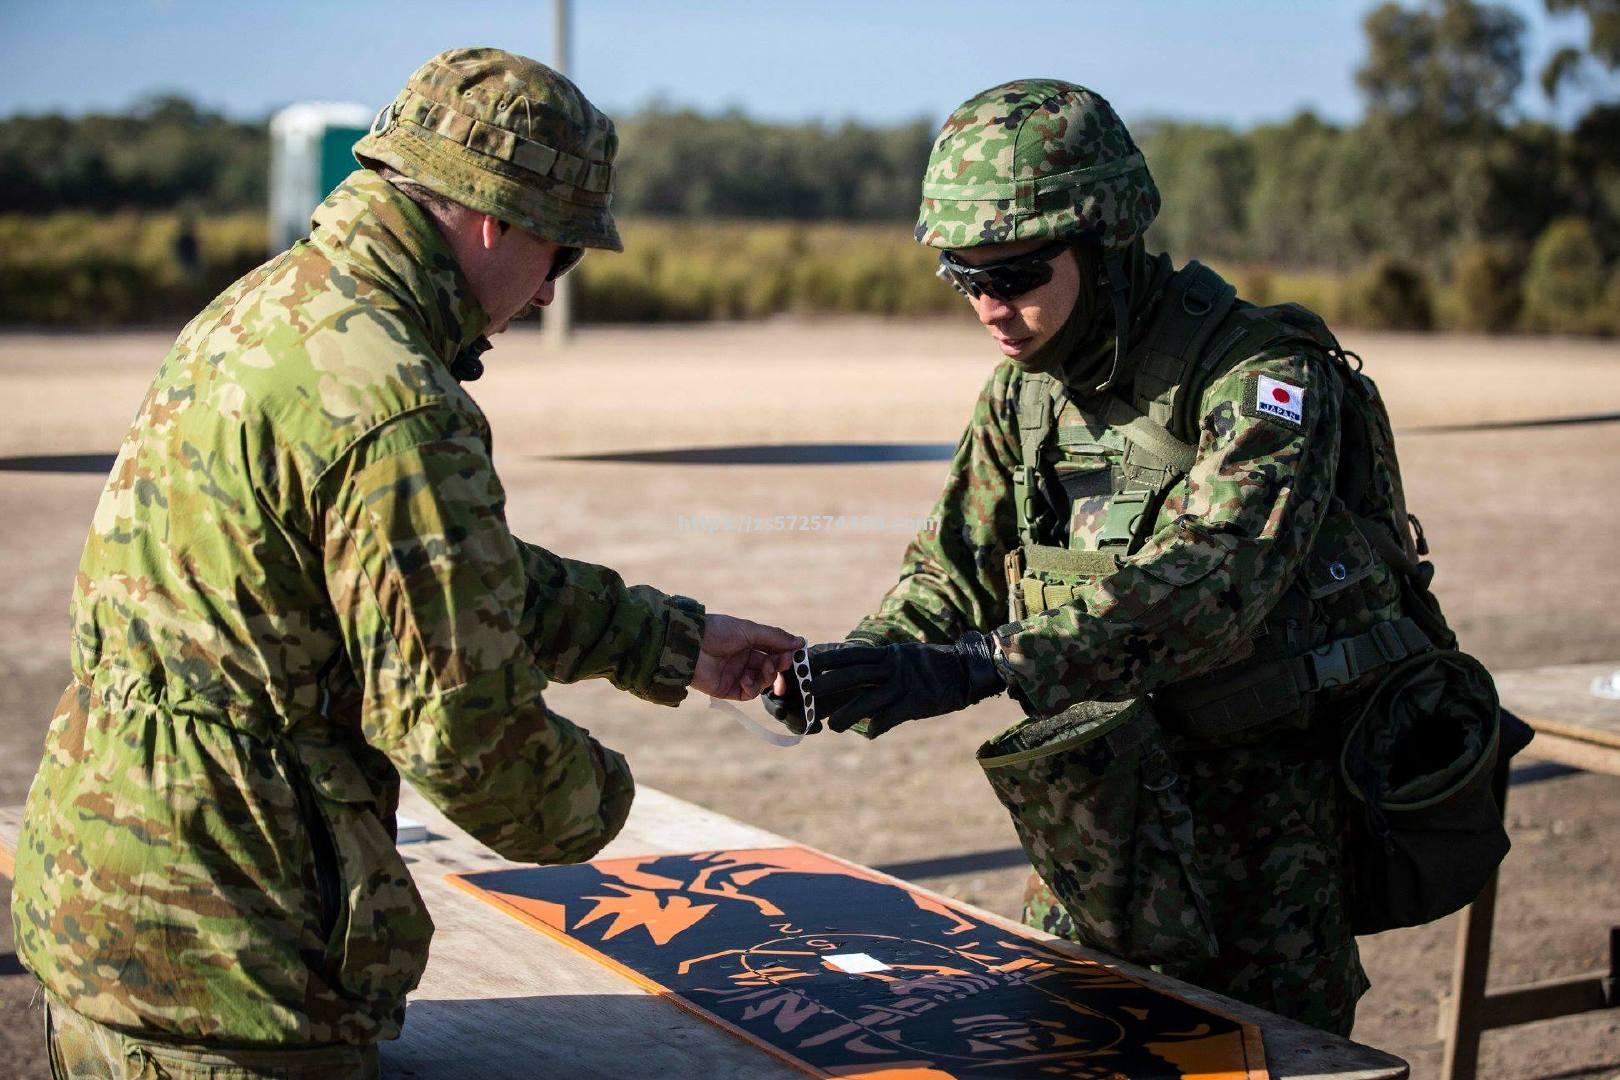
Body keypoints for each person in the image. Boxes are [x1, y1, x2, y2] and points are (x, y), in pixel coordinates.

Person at [14, 47, 801, 1078]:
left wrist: (672, 641)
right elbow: (462, 730)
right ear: (493, 219)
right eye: (560, 256)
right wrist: (609, 806)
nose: (550, 296)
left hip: (103, 905)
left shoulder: (260, 313)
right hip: (234, 961)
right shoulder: (398, 403)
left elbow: (428, 574)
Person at [765, 78, 1445, 1035]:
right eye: (966, 277)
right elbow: (953, 568)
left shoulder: (1263, 376)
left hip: (1262, 846)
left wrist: (983, 666)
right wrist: (865, 661)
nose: (992, 309)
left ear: (1106, 238)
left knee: (1265, 1057)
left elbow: (1216, 578)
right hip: (1092, 831)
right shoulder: (1023, 396)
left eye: (1016, 276)